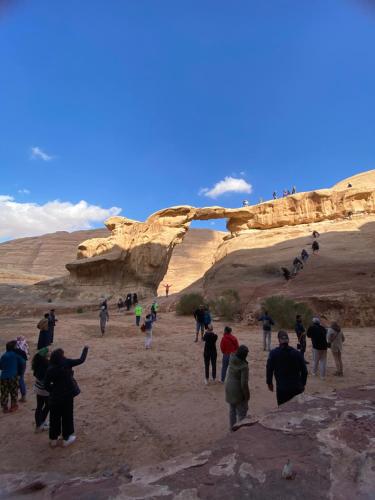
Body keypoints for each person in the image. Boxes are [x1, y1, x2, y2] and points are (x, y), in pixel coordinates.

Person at [45, 346, 89, 447]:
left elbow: (46, 385)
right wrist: (85, 350)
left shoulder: (50, 368)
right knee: (67, 416)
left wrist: (53, 391)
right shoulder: (66, 363)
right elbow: (81, 360)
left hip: (55, 397)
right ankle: (66, 438)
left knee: (54, 417)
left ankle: (53, 439)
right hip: (67, 395)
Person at [266, 331, 308, 406]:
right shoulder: (297, 353)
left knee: (282, 410)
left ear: (279, 340)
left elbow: (269, 369)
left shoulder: (273, 353)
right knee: (297, 410)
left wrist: (269, 383)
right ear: (288, 340)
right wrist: (303, 383)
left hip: (282, 388)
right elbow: (304, 371)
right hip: (297, 387)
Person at [225, 345, 250, 430]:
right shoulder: (244, 367)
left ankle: (232, 429)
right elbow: (244, 384)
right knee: (242, 413)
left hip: (228, 387)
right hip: (237, 391)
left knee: (232, 410)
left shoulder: (232, 358)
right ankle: (239, 432)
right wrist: (247, 396)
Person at [0, 340, 25, 413]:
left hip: (3, 377)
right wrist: (20, 373)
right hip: (13, 376)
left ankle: (5, 407)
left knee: (4, 392)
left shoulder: (4, 355)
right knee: (13, 392)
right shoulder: (16, 355)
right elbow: (23, 362)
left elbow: (1, 366)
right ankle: (13, 406)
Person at [32, 347, 50, 432]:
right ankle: (42, 421)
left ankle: (38, 425)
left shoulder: (37, 363)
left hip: (38, 388)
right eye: (49, 352)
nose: (50, 352)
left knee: (39, 406)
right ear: (46, 355)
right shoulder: (47, 364)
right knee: (49, 405)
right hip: (45, 390)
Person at [14, 336, 29, 402]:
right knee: (21, 379)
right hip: (23, 364)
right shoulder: (25, 345)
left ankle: (16, 397)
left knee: (18, 380)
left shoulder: (15, 348)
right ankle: (23, 396)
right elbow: (27, 356)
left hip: (16, 364)